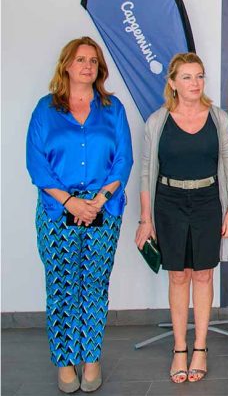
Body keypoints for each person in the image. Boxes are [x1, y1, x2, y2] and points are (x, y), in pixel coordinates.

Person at [26, 36, 133, 393]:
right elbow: (36, 164)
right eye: (80, 59)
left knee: (94, 287)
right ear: (67, 66)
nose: (87, 66)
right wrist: (70, 202)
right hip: (58, 211)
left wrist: (99, 199)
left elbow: (123, 160)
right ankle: (65, 362)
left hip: (104, 209)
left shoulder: (112, 109)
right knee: (62, 287)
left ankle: (91, 359)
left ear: (99, 68)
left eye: (93, 60)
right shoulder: (46, 109)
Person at [134, 53, 228, 383]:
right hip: (169, 202)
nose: (195, 83)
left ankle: (200, 348)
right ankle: (180, 348)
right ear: (173, 82)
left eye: (200, 76)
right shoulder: (158, 121)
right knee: (178, 277)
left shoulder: (218, 118)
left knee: (203, 276)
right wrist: (146, 219)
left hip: (208, 201)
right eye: (188, 77)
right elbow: (146, 172)